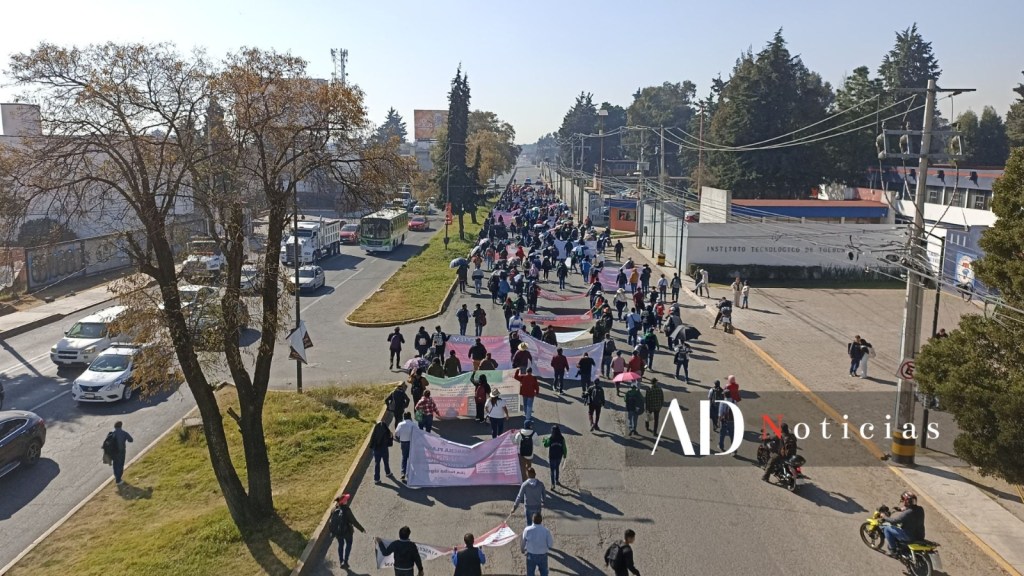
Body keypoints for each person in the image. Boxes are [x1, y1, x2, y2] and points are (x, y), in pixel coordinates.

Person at [881, 491, 926, 557]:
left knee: (887, 529)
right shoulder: (920, 509)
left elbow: (895, 521)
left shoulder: (907, 513)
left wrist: (884, 517)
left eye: (903, 500)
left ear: (906, 501)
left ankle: (893, 550)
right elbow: (912, 509)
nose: (903, 502)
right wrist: (901, 509)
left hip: (909, 537)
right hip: (920, 535)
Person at [329, 493, 365, 569]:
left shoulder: (333, 510)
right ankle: (345, 561)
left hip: (338, 532)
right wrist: (361, 529)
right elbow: (354, 521)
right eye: (346, 500)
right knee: (349, 543)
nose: (347, 500)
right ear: (343, 502)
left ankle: (341, 561)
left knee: (340, 545)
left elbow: (331, 522)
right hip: (347, 532)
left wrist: (332, 532)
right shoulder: (347, 510)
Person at [106, 421, 133, 485]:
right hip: (121, 451)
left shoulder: (111, 434)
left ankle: (116, 476)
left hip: (113, 452)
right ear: (121, 426)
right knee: (120, 465)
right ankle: (118, 480)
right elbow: (131, 440)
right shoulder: (124, 433)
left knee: (115, 464)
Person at [369, 418, 395, 483]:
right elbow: (390, 437)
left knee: (377, 463)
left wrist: (372, 447)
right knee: (386, 461)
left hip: (376, 450)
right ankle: (388, 472)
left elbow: (372, 440)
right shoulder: (386, 431)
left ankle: (376, 479)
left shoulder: (375, 432)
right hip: (384, 449)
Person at [394, 412, 416, 481]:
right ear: (410, 417)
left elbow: (396, 434)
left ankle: (403, 473)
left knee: (404, 458)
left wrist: (399, 438)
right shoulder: (413, 424)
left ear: (404, 417)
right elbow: (417, 433)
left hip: (403, 442)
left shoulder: (400, 424)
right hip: (411, 442)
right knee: (411, 458)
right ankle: (411, 472)